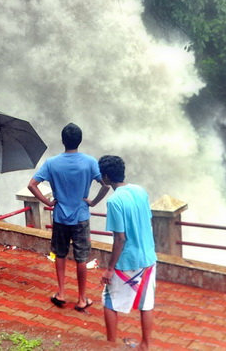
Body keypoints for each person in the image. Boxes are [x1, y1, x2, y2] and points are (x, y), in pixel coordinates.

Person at [27, 122, 109, 311]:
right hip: (81, 216)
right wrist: (94, 202)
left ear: (62, 141)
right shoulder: (90, 162)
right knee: (81, 258)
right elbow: (105, 185)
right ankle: (81, 299)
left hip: (60, 217)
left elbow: (32, 185)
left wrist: (47, 203)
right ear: (80, 140)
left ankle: (62, 293)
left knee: (61, 254)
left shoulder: (52, 163)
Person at [99, 155, 157, 350]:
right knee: (146, 303)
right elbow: (147, 220)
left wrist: (109, 268)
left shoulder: (114, 201)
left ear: (106, 177)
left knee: (109, 301)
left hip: (127, 262)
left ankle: (110, 345)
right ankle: (145, 345)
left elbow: (120, 238)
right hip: (148, 258)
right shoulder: (141, 191)